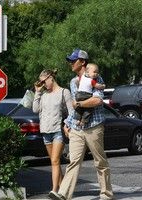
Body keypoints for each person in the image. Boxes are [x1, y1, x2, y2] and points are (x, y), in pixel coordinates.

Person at [49, 49, 114, 200]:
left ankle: (106, 194)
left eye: (73, 60)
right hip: (77, 127)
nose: (70, 63)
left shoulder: (95, 77)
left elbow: (97, 101)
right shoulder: (73, 82)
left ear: (82, 62)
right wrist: (67, 123)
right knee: (73, 161)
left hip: (94, 126)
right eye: (70, 61)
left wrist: (80, 103)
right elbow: (74, 108)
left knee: (100, 161)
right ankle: (64, 194)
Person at [32, 69, 73, 198]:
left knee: (55, 160)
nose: (43, 84)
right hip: (45, 131)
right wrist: (37, 93)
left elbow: (71, 112)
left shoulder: (63, 92)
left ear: (51, 78)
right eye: (41, 83)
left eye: (44, 81)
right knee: (54, 162)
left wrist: (67, 125)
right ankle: (62, 191)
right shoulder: (43, 95)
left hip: (57, 131)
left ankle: (54, 190)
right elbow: (35, 109)